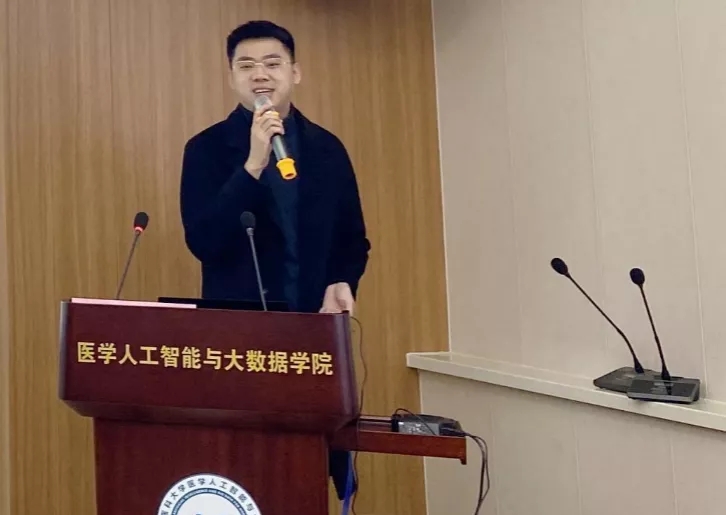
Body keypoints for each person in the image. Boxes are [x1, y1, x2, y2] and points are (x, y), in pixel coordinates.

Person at [178, 20, 370, 500]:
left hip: (310, 338)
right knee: (237, 472)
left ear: (294, 73)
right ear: (232, 78)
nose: (259, 75)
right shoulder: (205, 150)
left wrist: (342, 280)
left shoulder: (327, 150)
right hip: (235, 344)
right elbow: (204, 241)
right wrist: (253, 164)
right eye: (246, 66)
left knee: (307, 473)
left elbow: (353, 239)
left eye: (271, 64)